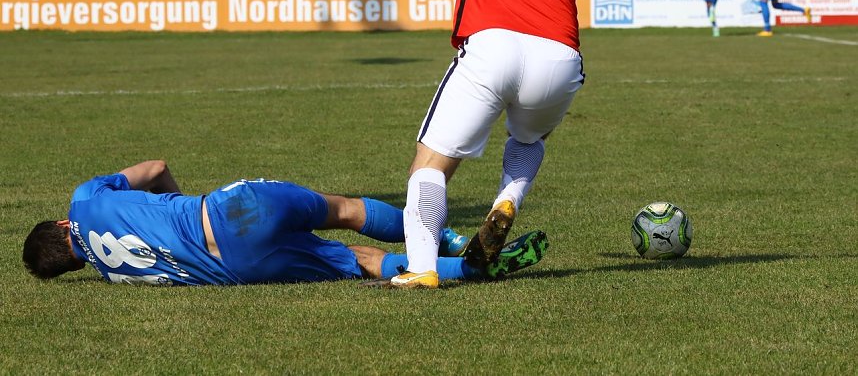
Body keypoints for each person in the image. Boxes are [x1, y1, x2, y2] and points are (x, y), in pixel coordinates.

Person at [361, 0, 715, 288]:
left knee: (430, 166)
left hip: (492, 48)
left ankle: (423, 268)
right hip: (558, 57)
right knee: (528, 139)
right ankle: (508, 197)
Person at [22, 160, 548, 286]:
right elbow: (156, 169)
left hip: (243, 263)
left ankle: (467, 272)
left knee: (360, 263)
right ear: (61, 225)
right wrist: (184, 205)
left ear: (69, 265)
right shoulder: (84, 201)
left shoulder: (114, 274)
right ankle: (451, 237)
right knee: (344, 210)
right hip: (231, 210)